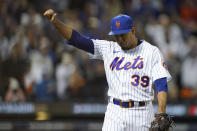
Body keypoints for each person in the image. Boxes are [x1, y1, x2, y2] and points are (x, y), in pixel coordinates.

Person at [44, 9, 172, 131]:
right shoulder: (109, 48)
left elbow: (161, 83)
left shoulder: (151, 51)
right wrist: (56, 22)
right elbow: (77, 40)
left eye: (123, 35)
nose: (120, 39)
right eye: (117, 36)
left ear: (133, 31)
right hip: (114, 111)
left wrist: (161, 111)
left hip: (142, 113)